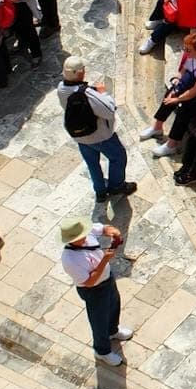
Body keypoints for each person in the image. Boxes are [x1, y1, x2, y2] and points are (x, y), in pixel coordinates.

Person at [141, 31, 196, 160]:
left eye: (188, 50)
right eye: (185, 48)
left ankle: (172, 144)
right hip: (195, 80)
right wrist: (177, 82)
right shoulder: (191, 54)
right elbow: (184, 68)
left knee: (184, 107)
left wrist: (177, 99)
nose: (185, 52)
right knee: (171, 91)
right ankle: (157, 126)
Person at [59, 213, 132, 366]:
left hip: (107, 278)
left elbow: (104, 228)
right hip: (94, 290)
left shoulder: (86, 233)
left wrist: (113, 232)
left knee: (114, 305)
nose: (85, 236)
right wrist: (104, 260)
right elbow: (89, 281)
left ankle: (113, 331)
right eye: (81, 236)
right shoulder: (69, 260)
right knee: (99, 320)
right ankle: (102, 351)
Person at [56, 57, 133, 200]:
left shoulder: (61, 89)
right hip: (100, 136)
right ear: (79, 73)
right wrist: (103, 92)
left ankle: (100, 192)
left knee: (92, 164)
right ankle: (116, 186)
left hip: (80, 137)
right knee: (118, 157)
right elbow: (109, 110)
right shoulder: (87, 93)